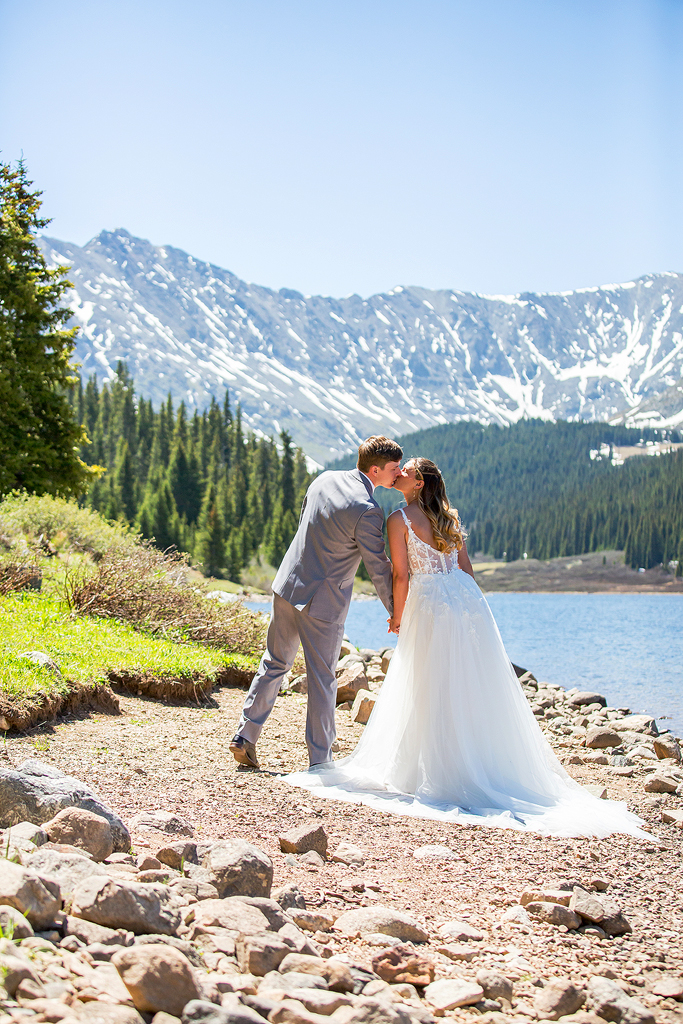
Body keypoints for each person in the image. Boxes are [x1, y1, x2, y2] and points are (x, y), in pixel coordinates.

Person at [285, 457, 649, 839]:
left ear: (419, 482)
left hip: (428, 602)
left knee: (426, 682)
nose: (400, 472)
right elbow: (466, 570)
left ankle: (436, 769)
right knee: (464, 682)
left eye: (406, 469)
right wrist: (475, 611)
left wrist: (397, 615)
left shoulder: (399, 519)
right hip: (461, 600)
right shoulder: (449, 519)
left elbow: (400, 574)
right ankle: (471, 760)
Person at [230, 435, 404, 770]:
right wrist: (398, 613)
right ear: (375, 469)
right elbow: (379, 568)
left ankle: (245, 735)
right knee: (323, 678)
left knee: (274, 663)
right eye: (394, 468)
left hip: (288, 586)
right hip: (323, 604)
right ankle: (321, 761)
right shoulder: (367, 511)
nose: (397, 474)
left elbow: (305, 528)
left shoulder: (323, 479)